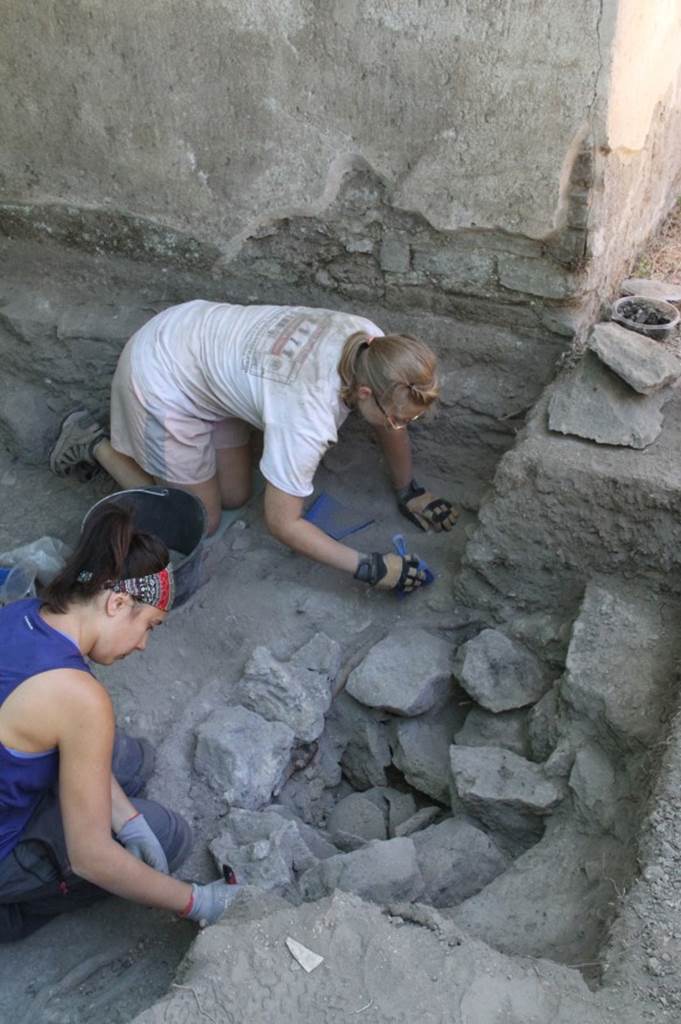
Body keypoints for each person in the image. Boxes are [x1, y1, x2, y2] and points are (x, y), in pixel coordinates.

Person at [50, 301, 458, 594]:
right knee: (200, 522)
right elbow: (283, 524)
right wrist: (369, 567)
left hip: (204, 350)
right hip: (162, 376)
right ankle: (95, 443)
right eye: (398, 418)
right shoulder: (307, 415)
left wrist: (410, 490)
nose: (401, 426)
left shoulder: (371, 346)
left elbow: (389, 417)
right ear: (366, 392)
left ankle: (180, 459)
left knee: (236, 496)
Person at [0, 504, 240, 942]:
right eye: (149, 625)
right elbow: (90, 856)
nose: (145, 644)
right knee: (168, 836)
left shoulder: (25, 614)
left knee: (125, 761)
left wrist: (127, 821)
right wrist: (197, 901)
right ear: (117, 603)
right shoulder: (79, 697)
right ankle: (13, 914)